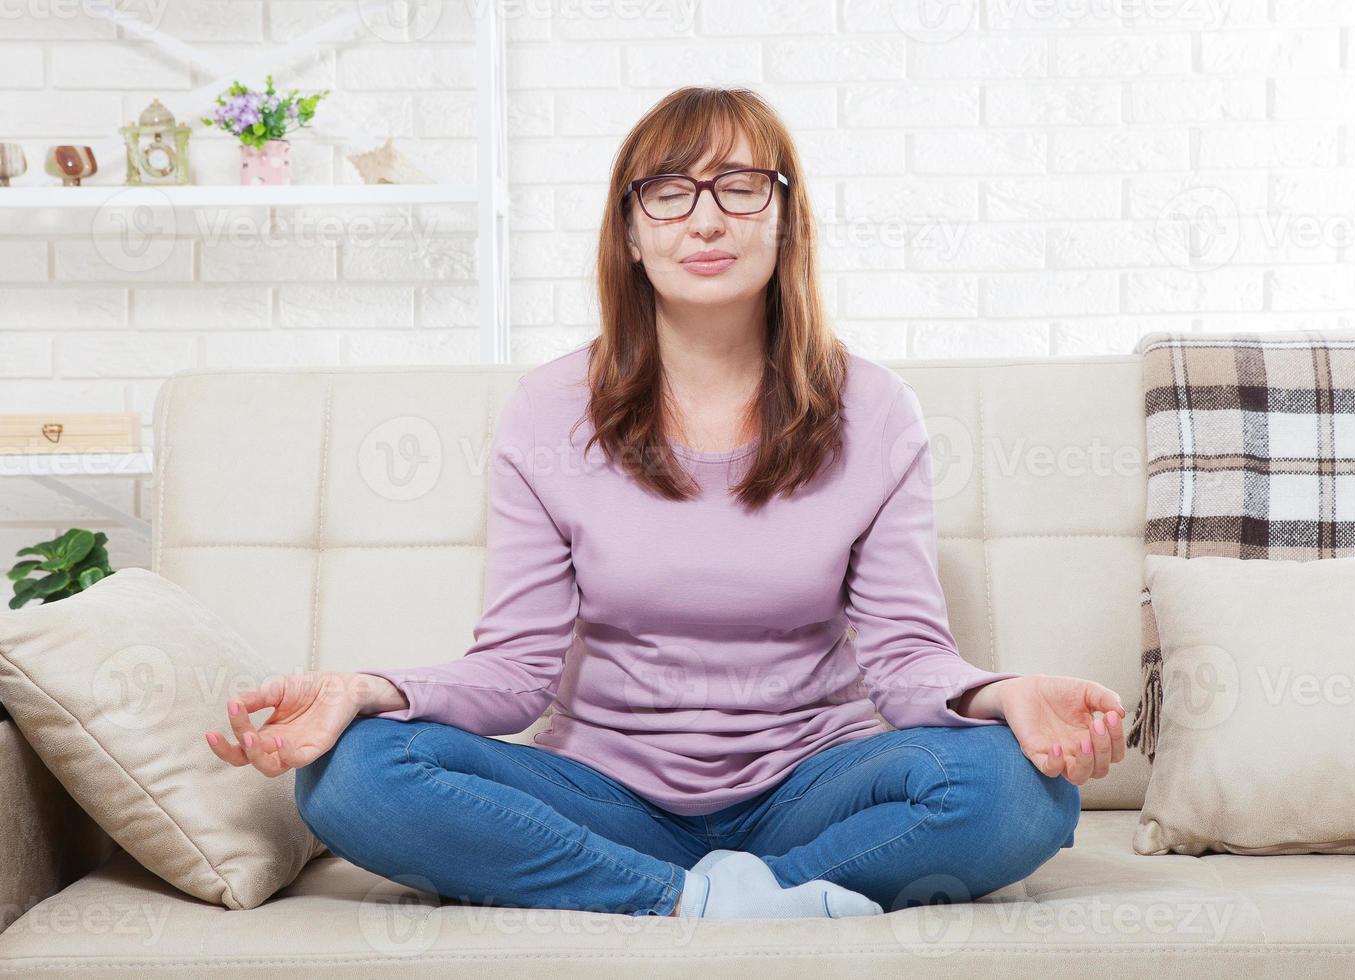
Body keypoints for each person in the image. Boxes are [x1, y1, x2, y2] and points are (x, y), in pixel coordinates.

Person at [204, 86, 1127, 921]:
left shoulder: (875, 409)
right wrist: (369, 690)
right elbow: (516, 670)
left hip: (813, 785)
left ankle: (710, 893)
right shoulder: (547, 409)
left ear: (787, 220)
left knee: (1021, 793)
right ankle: (708, 900)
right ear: (631, 231)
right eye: (670, 192)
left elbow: (905, 660)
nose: (707, 220)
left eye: (740, 187)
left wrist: (1000, 695)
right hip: (605, 798)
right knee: (353, 773)